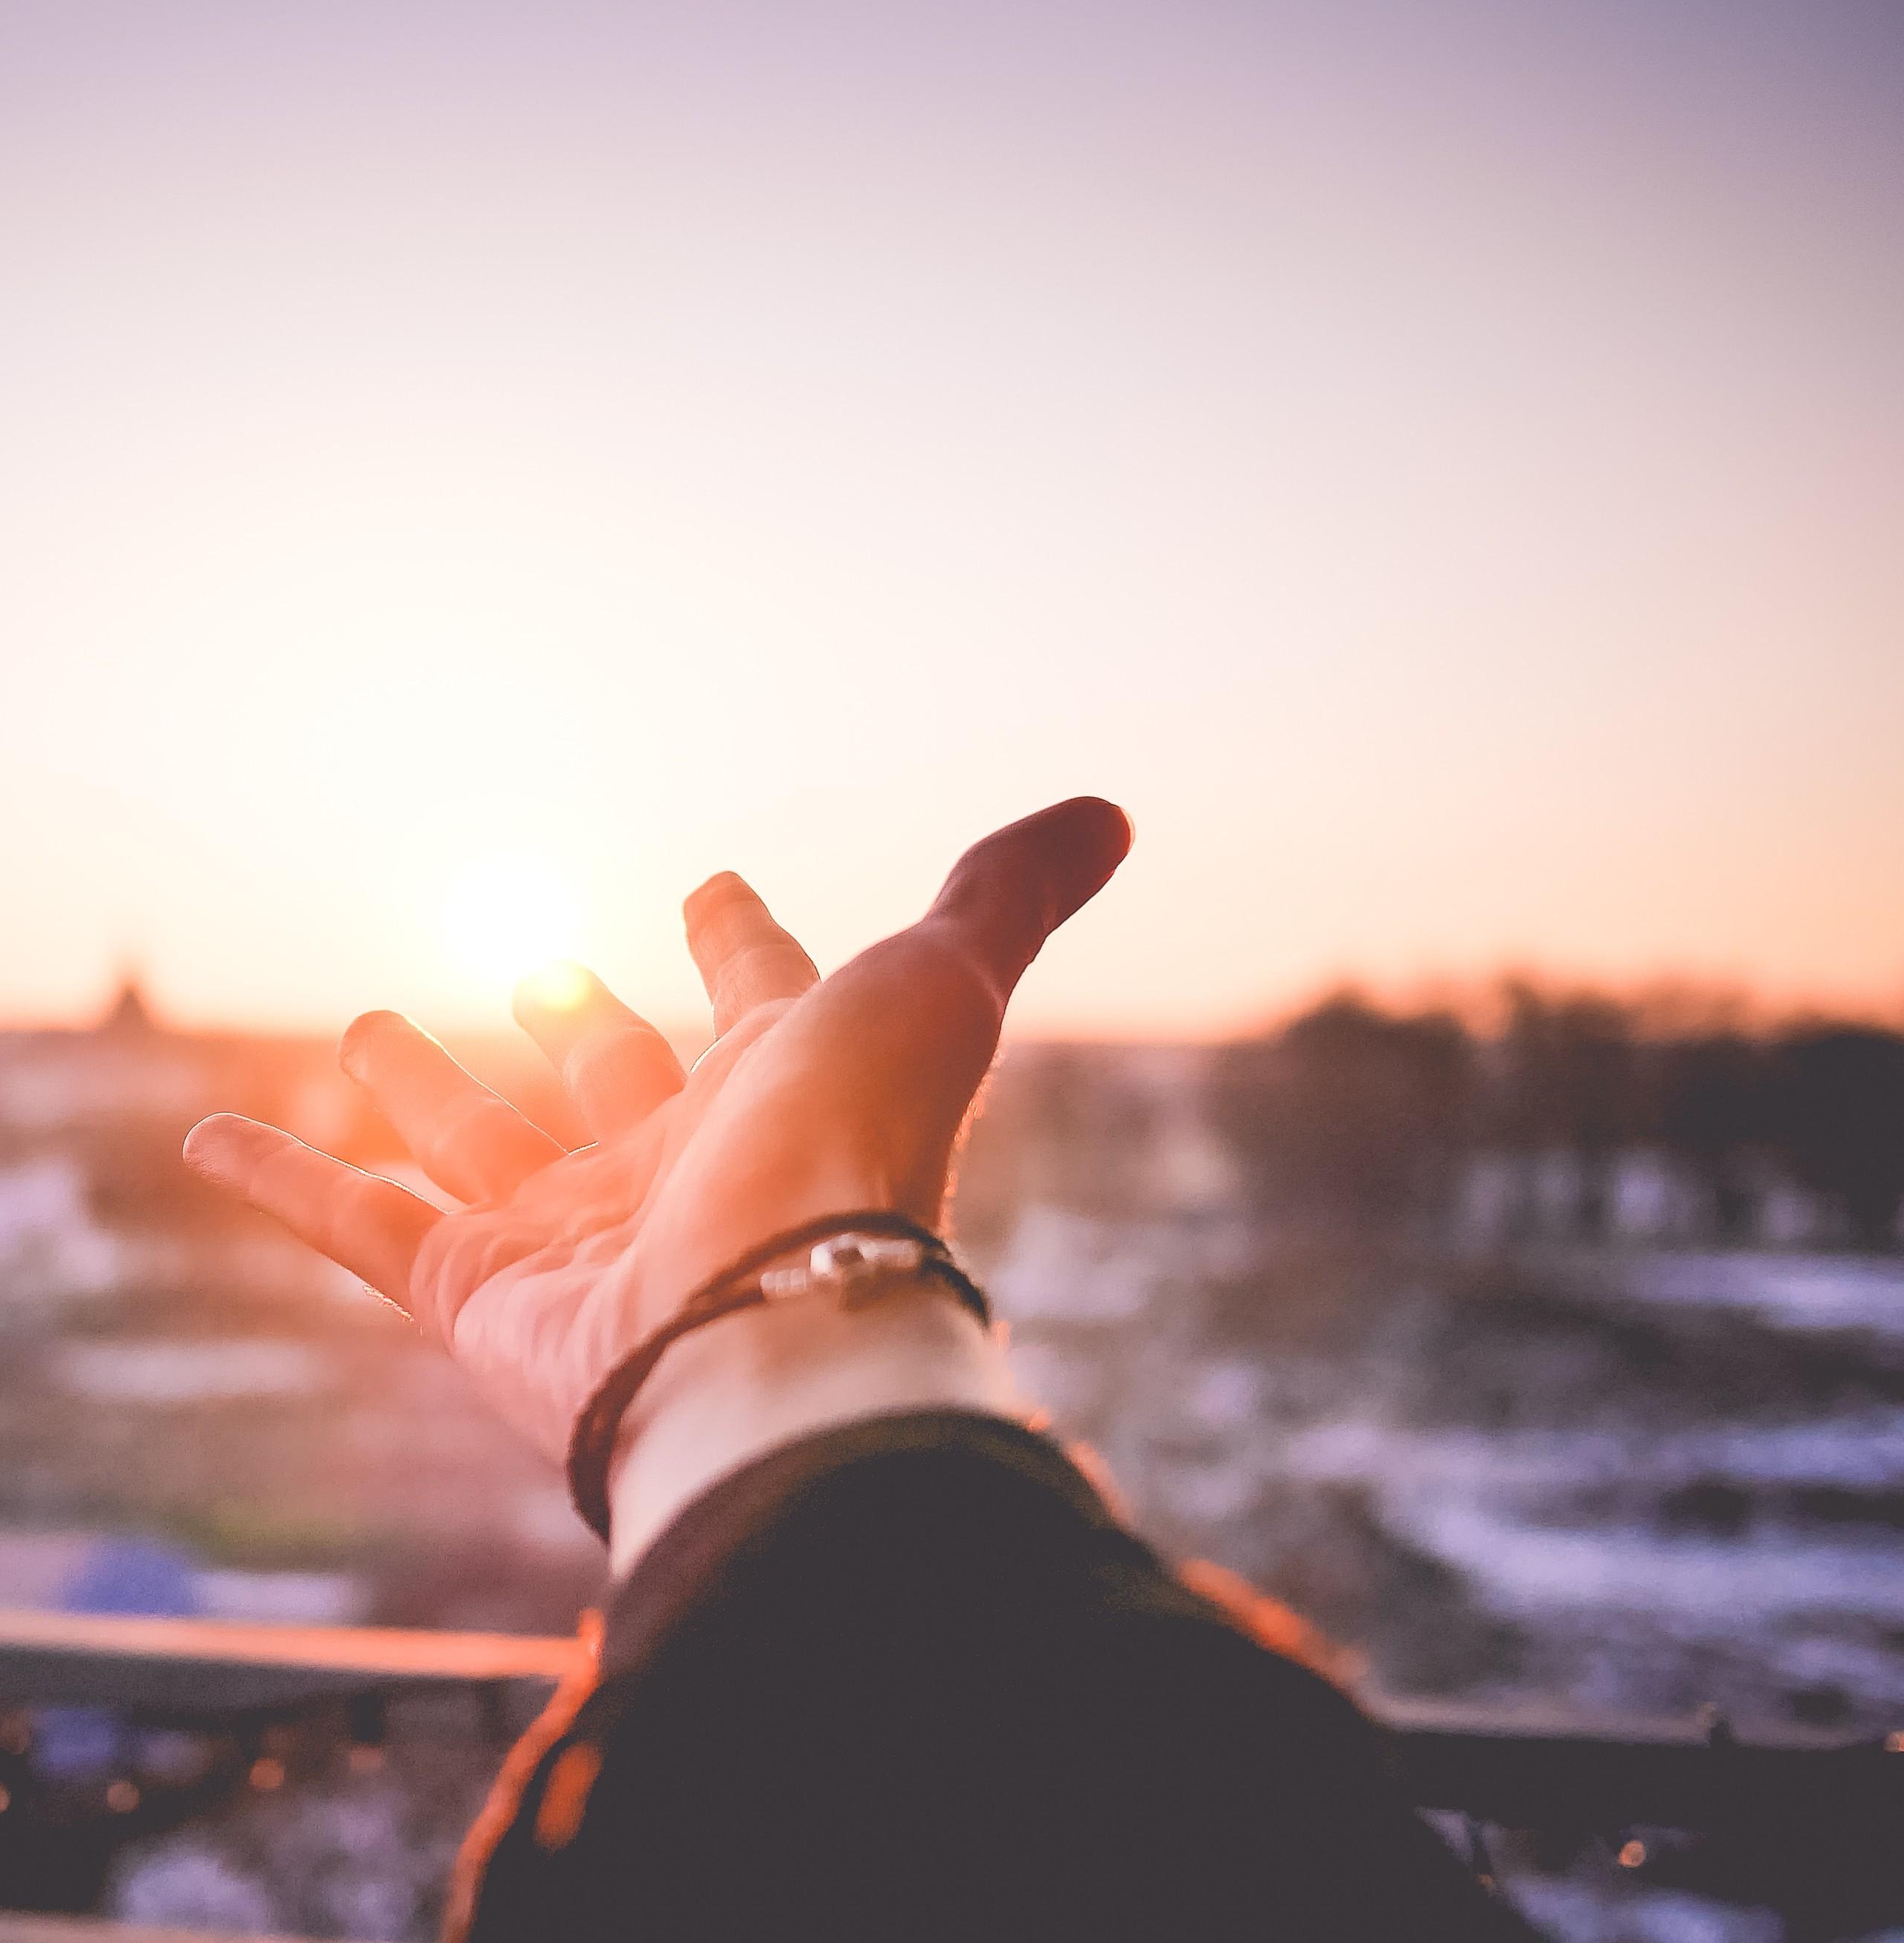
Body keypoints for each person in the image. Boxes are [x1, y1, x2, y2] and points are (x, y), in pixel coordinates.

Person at [185, 801, 1535, 1940]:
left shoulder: (639, 1835)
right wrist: (788, 1345)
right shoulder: (1210, 1797)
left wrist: (729, 1384)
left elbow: (781, 1817)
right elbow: (1162, 1812)